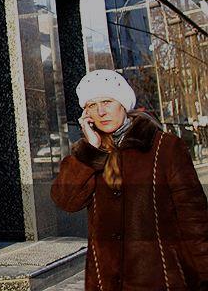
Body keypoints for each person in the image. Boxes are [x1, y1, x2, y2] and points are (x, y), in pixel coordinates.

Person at [51, 69, 208, 290]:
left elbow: (194, 221)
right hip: (106, 282)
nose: (101, 111)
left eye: (107, 102)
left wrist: (203, 275)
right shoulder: (90, 154)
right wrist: (91, 149)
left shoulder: (165, 147)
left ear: (123, 104)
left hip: (160, 278)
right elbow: (66, 200)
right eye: (92, 105)